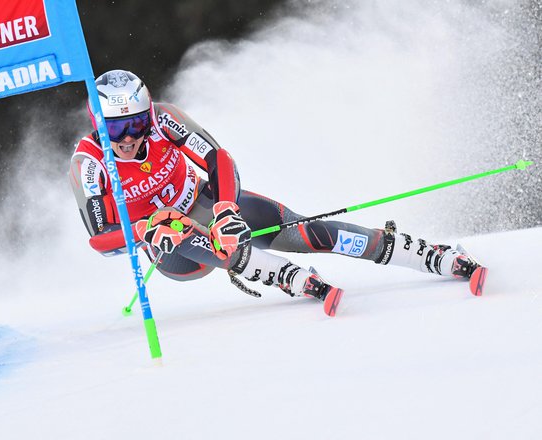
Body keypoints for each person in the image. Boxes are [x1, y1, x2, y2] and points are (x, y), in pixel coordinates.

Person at [69, 70, 483, 315]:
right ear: (97, 123)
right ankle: (276, 272)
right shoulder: (89, 164)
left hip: (205, 206)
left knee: (302, 231)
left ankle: (427, 254)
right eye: (116, 128)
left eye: (136, 124)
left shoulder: (163, 121)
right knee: (166, 224)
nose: (128, 138)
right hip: (174, 252)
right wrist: (141, 231)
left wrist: (227, 208)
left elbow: (218, 159)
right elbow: (102, 240)